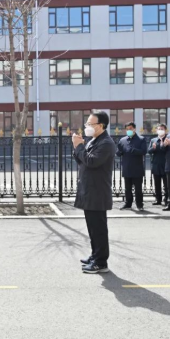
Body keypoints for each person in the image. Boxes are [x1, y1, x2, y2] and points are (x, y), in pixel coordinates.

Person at [72, 111, 116, 274]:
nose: (87, 127)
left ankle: (101, 262)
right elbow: (82, 160)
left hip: (98, 191)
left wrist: (79, 146)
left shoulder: (106, 143)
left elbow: (91, 161)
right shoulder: (94, 140)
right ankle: (95, 255)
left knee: (99, 228)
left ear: (101, 126)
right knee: (92, 227)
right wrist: (77, 147)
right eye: (87, 124)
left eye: (90, 124)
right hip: (89, 190)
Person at [116, 122, 147, 211]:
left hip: (137, 168)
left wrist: (133, 150)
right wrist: (119, 152)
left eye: (130, 128)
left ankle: (139, 204)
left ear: (134, 129)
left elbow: (144, 151)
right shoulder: (123, 140)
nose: (128, 130)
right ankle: (128, 204)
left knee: (138, 189)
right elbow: (118, 152)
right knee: (127, 189)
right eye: (127, 129)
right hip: (127, 168)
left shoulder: (141, 139)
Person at [148, 124, 169, 206]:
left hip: (166, 164)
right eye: (159, 129)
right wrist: (153, 148)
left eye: (162, 129)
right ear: (156, 130)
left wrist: (164, 145)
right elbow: (149, 151)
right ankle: (158, 199)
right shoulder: (153, 140)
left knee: (167, 184)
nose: (160, 130)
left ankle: (167, 199)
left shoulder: (168, 139)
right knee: (157, 184)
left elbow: (169, 150)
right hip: (156, 164)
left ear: (165, 130)